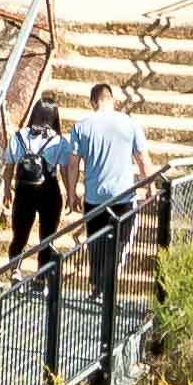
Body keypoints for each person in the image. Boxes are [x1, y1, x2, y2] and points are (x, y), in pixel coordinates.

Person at [69, 92, 151, 309]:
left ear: (93, 102)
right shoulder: (130, 123)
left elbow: (73, 163)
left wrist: (70, 193)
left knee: (95, 243)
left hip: (94, 197)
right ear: (113, 100)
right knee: (120, 244)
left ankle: (98, 287)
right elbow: (142, 158)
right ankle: (107, 290)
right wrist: (149, 186)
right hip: (123, 196)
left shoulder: (81, 127)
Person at [0, 94, 71, 274]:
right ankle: (42, 276)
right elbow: (63, 170)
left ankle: (15, 271)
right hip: (49, 191)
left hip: (24, 191)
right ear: (54, 117)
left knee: (19, 235)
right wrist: (71, 194)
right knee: (47, 238)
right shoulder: (59, 141)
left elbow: (9, 167)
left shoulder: (19, 137)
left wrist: (7, 190)